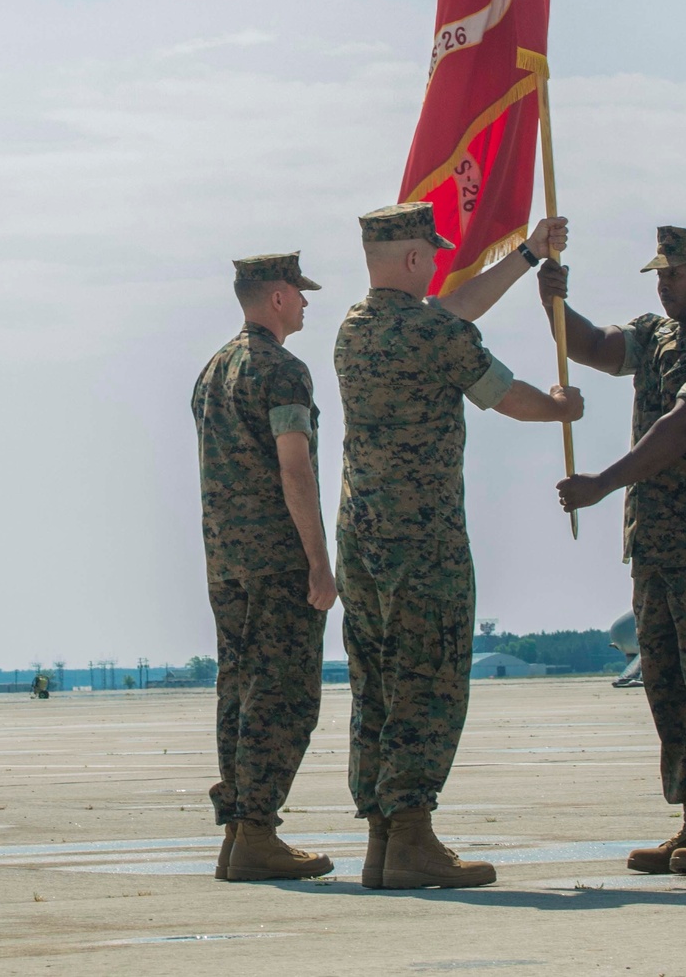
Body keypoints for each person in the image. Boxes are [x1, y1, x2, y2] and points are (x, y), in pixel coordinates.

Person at [335, 204, 584, 891]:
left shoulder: (355, 328)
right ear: (414, 259)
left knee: (378, 682)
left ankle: (385, 839)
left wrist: (530, 254)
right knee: (429, 676)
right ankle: (413, 836)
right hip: (424, 536)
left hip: (362, 535)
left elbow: (451, 312)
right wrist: (562, 407)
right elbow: (507, 396)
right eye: (433, 252)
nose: (441, 261)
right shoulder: (430, 333)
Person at [540, 226, 686, 875]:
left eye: (674, 274)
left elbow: (683, 427)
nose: (663, 285)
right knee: (666, 687)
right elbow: (592, 347)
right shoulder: (658, 335)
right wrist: (554, 304)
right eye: (659, 276)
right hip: (658, 545)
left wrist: (602, 483)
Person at [192, 252, 336, 883]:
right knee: (284, 694)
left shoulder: (212, 370)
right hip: (278, 558)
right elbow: (294, 467)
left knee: (239, 691)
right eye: (299, 294)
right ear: (276, 296)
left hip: (226, 559)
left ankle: (239, 832)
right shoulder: (281, 370)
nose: (306, 303)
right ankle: (256, 831)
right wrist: (319, 563)